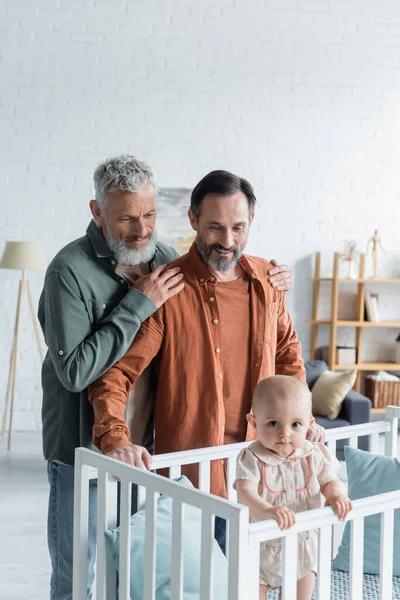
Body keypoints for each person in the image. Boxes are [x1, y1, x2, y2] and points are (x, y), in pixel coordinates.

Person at [39, 156, 294, 600]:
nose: (142, 229)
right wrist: (114, 435)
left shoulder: (169, 261)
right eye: (127, 218)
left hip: (165, 454)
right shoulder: (76, 273)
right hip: (86, 448)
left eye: (150, 215)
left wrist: (300, 417)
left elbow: (286, 349)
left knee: (134, 567)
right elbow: (91, 373)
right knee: (78, 572)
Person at [88, 169, 324, 505]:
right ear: (193, 220)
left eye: (238, 227)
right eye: (215, 227)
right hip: (192, 478)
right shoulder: (167, 290)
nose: (227, 241)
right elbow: (117, 372)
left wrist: (305, 419)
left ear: (251, 221)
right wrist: (115, 438)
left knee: (262, 559)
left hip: (265, 470)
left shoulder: (269, 283)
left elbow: (288, 356)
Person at [235, 375, 352, 600]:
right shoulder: (251, 458)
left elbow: (330, 481)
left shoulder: (314, 455)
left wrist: (336, 494)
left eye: (295, 424)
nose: (285, 433)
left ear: (309, 424)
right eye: (273, 423)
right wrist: (269, 511)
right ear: (253, 422)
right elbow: (245, 493)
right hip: (260, 549)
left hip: (303, 548)